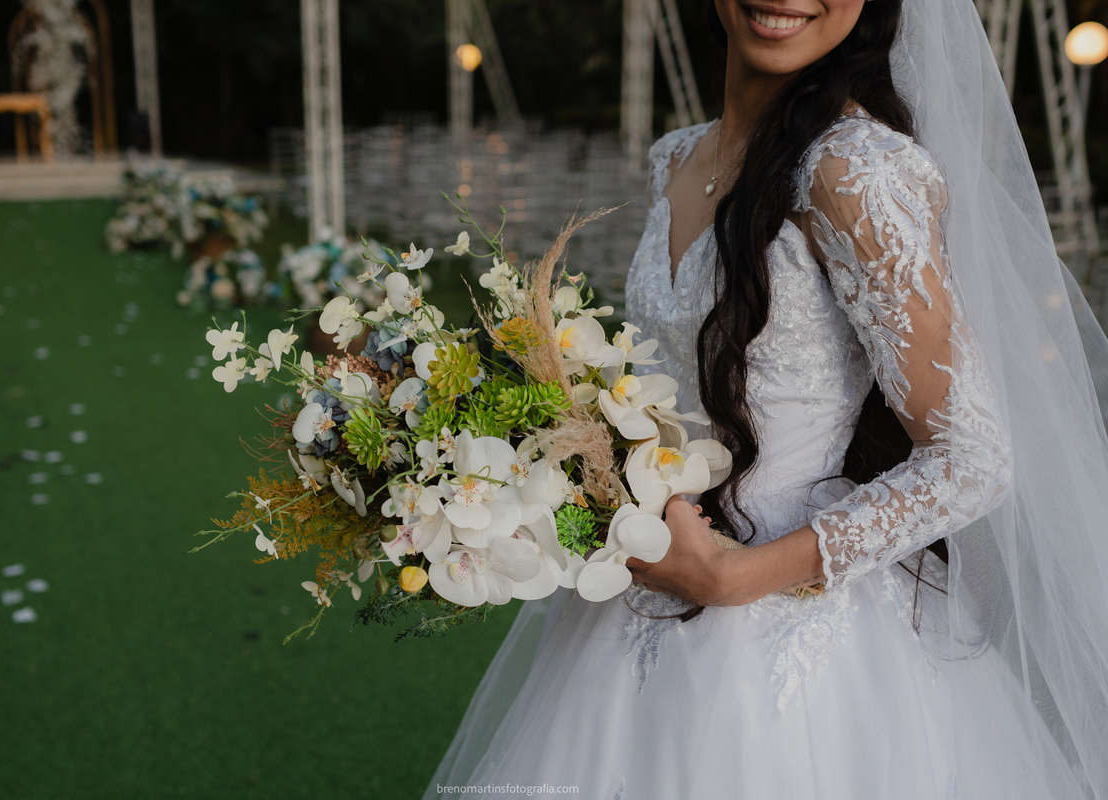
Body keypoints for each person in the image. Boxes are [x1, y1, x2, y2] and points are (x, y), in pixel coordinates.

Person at [425, 0, 1108, 796]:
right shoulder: (677, 155)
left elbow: (974, 458)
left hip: (792, 626)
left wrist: (736, 578)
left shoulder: (855, 170)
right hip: (636, 593)